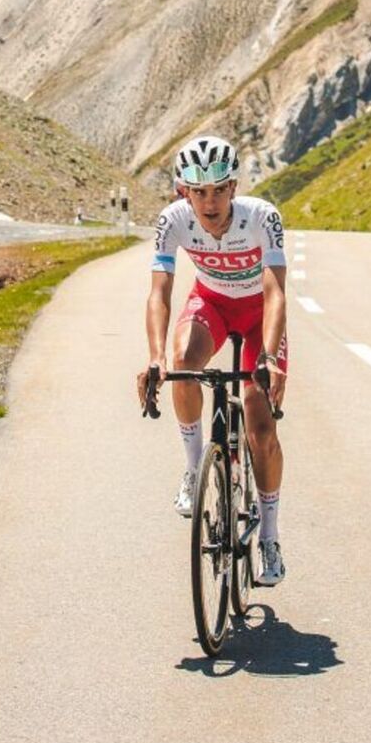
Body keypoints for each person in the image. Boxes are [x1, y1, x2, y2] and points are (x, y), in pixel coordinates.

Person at [137, 134, 288, 586]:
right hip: (213, 304)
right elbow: (159, 292)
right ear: (183, 191)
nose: (209, 202)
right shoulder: (172, 221)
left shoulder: (263, 218)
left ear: (234, 188)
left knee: (261, 428)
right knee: (182, 361)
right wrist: (155, 358)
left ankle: (270, 538)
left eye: (219, 190)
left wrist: (271, 358)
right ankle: (194, 467)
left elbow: (276, 291)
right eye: (198, 192)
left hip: (260, 311)